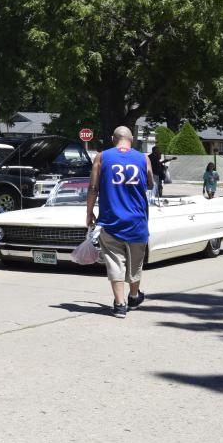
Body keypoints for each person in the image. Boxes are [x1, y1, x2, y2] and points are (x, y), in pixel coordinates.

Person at [86, 126, 153, 318]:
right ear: (131, 139)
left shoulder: (101, 157)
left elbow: (92, 187)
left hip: (110, 220)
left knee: (114, 262)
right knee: (135, 262)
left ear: (113, 139)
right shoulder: (143, 158)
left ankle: (119, 304)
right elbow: (150, 183)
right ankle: (133, 296)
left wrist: (89, 212)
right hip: (137, 221)